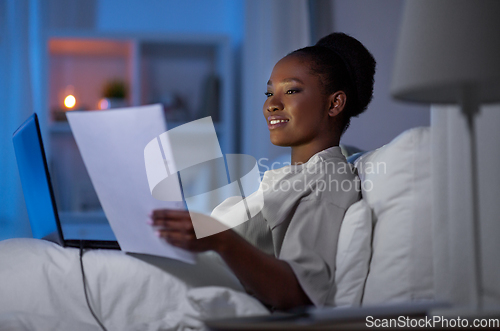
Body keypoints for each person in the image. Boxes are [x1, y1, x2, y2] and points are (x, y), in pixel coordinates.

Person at [150, 32, 376, 310]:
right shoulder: (287, 176)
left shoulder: (328, 182)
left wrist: (221, 239)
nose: (271, 104)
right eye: (270, 93)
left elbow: (298, 293)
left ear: (334, 103)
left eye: (290, 91)